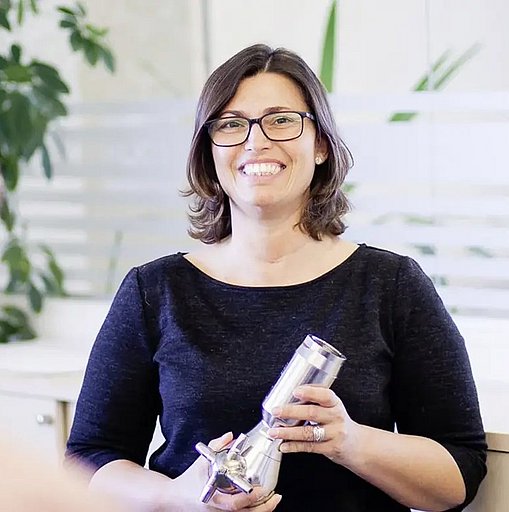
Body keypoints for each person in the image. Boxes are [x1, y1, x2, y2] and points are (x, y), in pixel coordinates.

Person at [65, 43, 487, 512]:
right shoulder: (155, 291)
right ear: (209, 153)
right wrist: (177, 497)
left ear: (321, 144)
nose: (256, 141)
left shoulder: (391, 285)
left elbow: (459, 473)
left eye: (281, 120)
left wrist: (350, 441)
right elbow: (88, 462)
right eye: (231, 124)